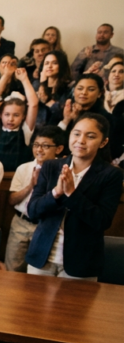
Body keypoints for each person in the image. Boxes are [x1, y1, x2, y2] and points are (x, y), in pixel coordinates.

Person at [26, 114, 123, 280]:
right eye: (76, 134)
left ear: (103, 142)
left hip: (81, 262)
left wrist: (72, 194)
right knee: (32, 305)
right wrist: (56, 193)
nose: (81, 140)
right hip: (42, 257)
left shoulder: (112, 174)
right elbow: (33, 211)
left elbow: (102, 221)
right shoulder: (50, 166)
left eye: (90, 136)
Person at [4, 126, 65, 272]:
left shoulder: (63, 171)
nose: (39, 150)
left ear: (58, 149)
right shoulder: (23, 168)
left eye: (45, 146)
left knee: (37, 272)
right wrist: (31, 185)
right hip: (20, 222)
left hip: (45, 226)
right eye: (36, 145)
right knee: (12, 269)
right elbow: (12, 200)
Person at [0, 66, 39, 172]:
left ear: (23, 116)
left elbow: (33, 104)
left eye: (16, 115)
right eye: (7, 114)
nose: (10, 119)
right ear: (0, 115)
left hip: (17, 177)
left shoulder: (25, 131)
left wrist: (24, 79)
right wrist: (6, 76)